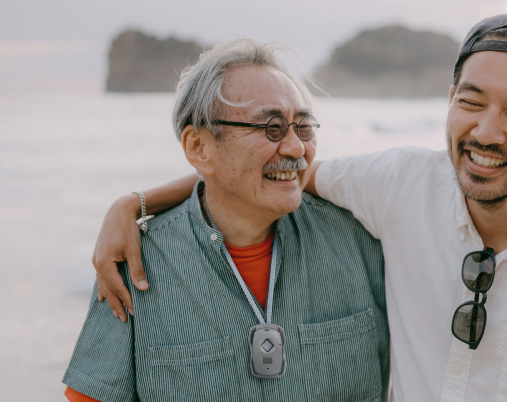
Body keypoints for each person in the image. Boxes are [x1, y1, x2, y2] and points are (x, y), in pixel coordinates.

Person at [91, 13, 507, 401]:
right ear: (450, 101)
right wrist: (135, 202)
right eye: (471, 102)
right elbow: (274, 171)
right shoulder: (401, 184)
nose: (485, 132)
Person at [62, 38, 390, 402]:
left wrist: (134, 202)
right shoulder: (136, 263)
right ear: (199, 147)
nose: (296, 147)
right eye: (272, 127)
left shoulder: (361, 240)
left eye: (304, 126)